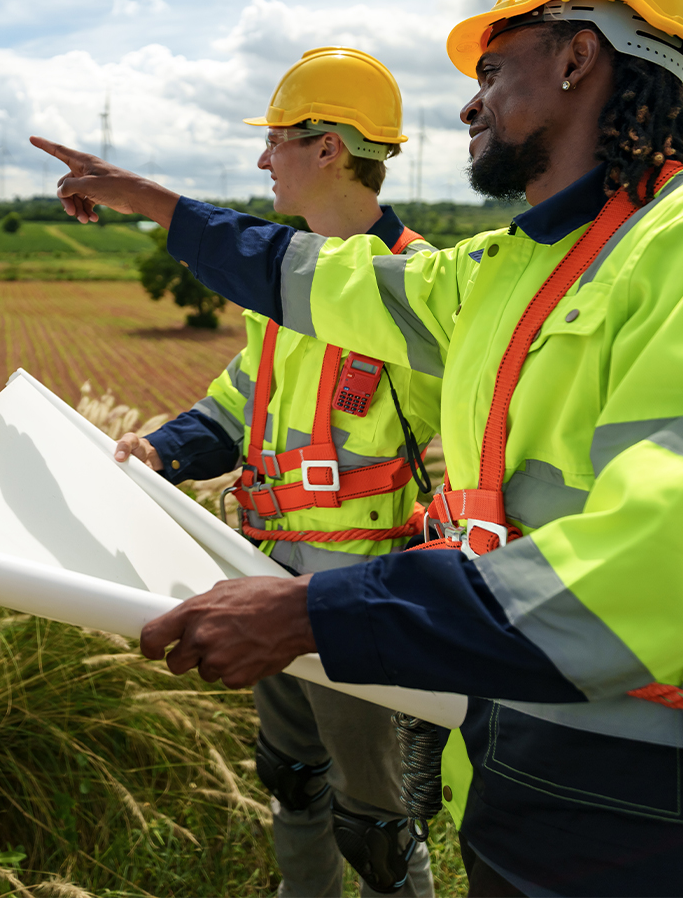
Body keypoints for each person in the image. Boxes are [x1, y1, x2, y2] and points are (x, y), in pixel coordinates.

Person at [32, 0, 683, 898]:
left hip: (652, 774)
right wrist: (144, 199)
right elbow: (306, 275)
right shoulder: (506, 271)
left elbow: (653, 562)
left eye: (491, 70)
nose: (469, 106)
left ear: (576, 59)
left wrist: (311, 610)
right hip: (512, 736)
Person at [98, 48, 440, 898]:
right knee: (292, 782)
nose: (262, 160)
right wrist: (163, 450)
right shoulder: (285, 288)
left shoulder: (420, 286)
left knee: (379, 825)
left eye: (279, 140)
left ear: (328, 147)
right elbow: (235, 407)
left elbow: (489, 443)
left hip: (359, 593)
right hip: (266, 573)